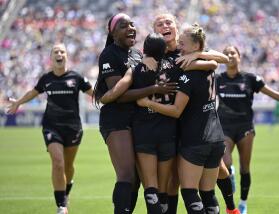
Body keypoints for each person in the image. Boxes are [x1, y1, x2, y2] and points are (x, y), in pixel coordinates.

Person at [138, 24, 240, 214]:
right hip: (215, 136)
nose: (181, 49)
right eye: (159, 24)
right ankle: (231, 208)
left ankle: (232, 206)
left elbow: (177, 110)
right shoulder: (204, 66)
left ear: (194, 45)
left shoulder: (186, 71)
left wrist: (146, 103)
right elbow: (215, 63)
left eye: (183, 45)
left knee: (189, 190)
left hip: (194, 136)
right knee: (207, 192)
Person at [93, 13, 175, 214]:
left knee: (138, 179)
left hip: (138, 121)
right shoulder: (109, 54)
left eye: (132, 24)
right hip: (116, 120)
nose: (130, 28)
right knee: (127, 174)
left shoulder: (138, 54)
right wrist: (152, 89)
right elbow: (116, 96)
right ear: (113, 33)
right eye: (123, 26)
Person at [216, 45, 279, 214]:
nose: (230, 56)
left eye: (233, 53)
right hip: (224, 128)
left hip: (245, 128)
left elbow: (274, 94)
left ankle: (243, 203)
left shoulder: (251, 79)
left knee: (245, 168)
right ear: (222, 59)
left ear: (239, 57)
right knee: (225, 162)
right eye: (226, 54)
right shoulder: (217, 79)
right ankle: (229, 175)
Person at [6, 43, 93, 214]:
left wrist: (112, 98)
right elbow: (34, 92)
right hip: (51, 126)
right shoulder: (46, 79)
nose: (59, 54)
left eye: (62, 51)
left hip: (73, 127)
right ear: (51, 57)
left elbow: (95, 94)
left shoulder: (77, 78)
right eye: (56, 52)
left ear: (67, 56)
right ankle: (61, 205)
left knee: (68, 166)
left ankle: (65, 195)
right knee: (58, 163)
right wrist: (18, 102)